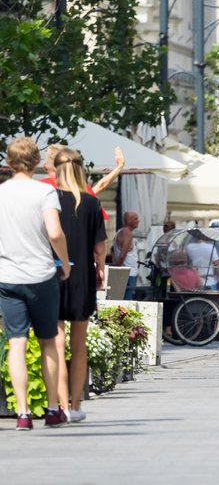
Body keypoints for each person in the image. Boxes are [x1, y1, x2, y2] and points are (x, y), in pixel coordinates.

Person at [0, 137, 71, 430]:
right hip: (41, 276)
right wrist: (65, 263)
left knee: (16, 342)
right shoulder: (45, 192)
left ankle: (23, 413)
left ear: (8, 161)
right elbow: (54, 233)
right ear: (35, 161)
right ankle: (53, 409)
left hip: (7, 276)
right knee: (48, 343)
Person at [51, 147, 107, 423]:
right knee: (80, 343)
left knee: (57, 343)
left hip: (54, 273)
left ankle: (61, 405)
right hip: (83, 276)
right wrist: (100, 270)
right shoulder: (91, 202)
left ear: (56, 169)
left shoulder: (49, 199)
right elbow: (100, 247)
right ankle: (75, 405)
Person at [42, 144, 124, 220]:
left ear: (45, 166)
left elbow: (99, 187)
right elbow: (100, 187)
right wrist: (119, 166)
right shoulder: (78, 186)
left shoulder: (38, 188)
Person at [112, 211, 140, 299]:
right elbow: (122, 255)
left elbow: (114, 251)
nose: (138, 221)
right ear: (128, 221)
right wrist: (117, 270)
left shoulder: (120, 232)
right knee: (127, 301)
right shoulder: (127, 233)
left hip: (126, 272)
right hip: (129, 273)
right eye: (135, 218)